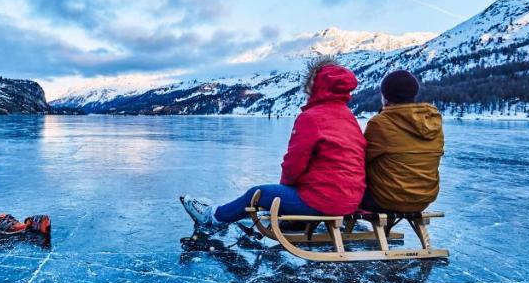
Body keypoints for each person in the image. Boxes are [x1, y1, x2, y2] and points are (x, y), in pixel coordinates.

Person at [181, 58, 366, 232]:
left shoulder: (311, 118)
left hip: (322, 201)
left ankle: (213, 218)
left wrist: (284, 194)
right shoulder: (349, 117)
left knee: (257, 194)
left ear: (316, 86)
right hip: (350, 200)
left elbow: (294, 163)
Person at [361, 69, 444, 214]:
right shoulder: (432, 122)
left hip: (386, 200)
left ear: (385, 97)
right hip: (423, 200)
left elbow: (360, 160)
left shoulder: (380, 123)